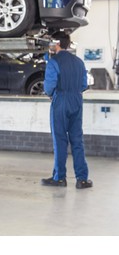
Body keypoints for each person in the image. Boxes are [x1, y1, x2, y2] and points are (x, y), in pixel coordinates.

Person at [42, 31, 93, 189]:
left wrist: (51, 94)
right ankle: (82, 179)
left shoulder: (53, 62)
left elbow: (49, 86)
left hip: (61, 101)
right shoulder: (79, 62)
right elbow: (84, 84)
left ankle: (60, 178)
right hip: (77, 101)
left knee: (60, 140)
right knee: (77, 140)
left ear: (56, 44)